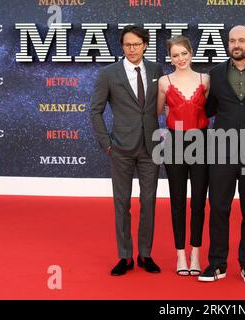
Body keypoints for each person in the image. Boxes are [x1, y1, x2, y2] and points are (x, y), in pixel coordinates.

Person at [198, 25, 245, 284]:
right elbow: (207, 109)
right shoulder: (216, 74)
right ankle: (217, 264)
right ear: (227, 44)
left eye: (242, 40)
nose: (236, 44)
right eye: (232, 41)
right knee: (219, 207)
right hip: (221, 148)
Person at [90, 25, 163, 276]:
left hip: (150, 148)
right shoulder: (108, 73)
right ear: (122, 47)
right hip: (120, 147)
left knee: (148, 202)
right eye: (127, 44)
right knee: (122, 203)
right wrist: (106, 143)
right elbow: (95, 110)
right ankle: (125, 256)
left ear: (145, 45)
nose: (132, 49)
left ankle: (145, 254)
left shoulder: (156, 70)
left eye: (136, 44)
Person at [157, 35, 210, 276]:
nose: (180, 58)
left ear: (191, 53)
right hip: (174, 143)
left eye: (184, 53)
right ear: (170, 59)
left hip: (201, 142)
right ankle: (180, 255)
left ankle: (195, 254)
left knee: (198, 201)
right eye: (175, 55)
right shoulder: (164, 82)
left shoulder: (205, 79)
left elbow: (207, 109)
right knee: (177, 200)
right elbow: (158, 110)